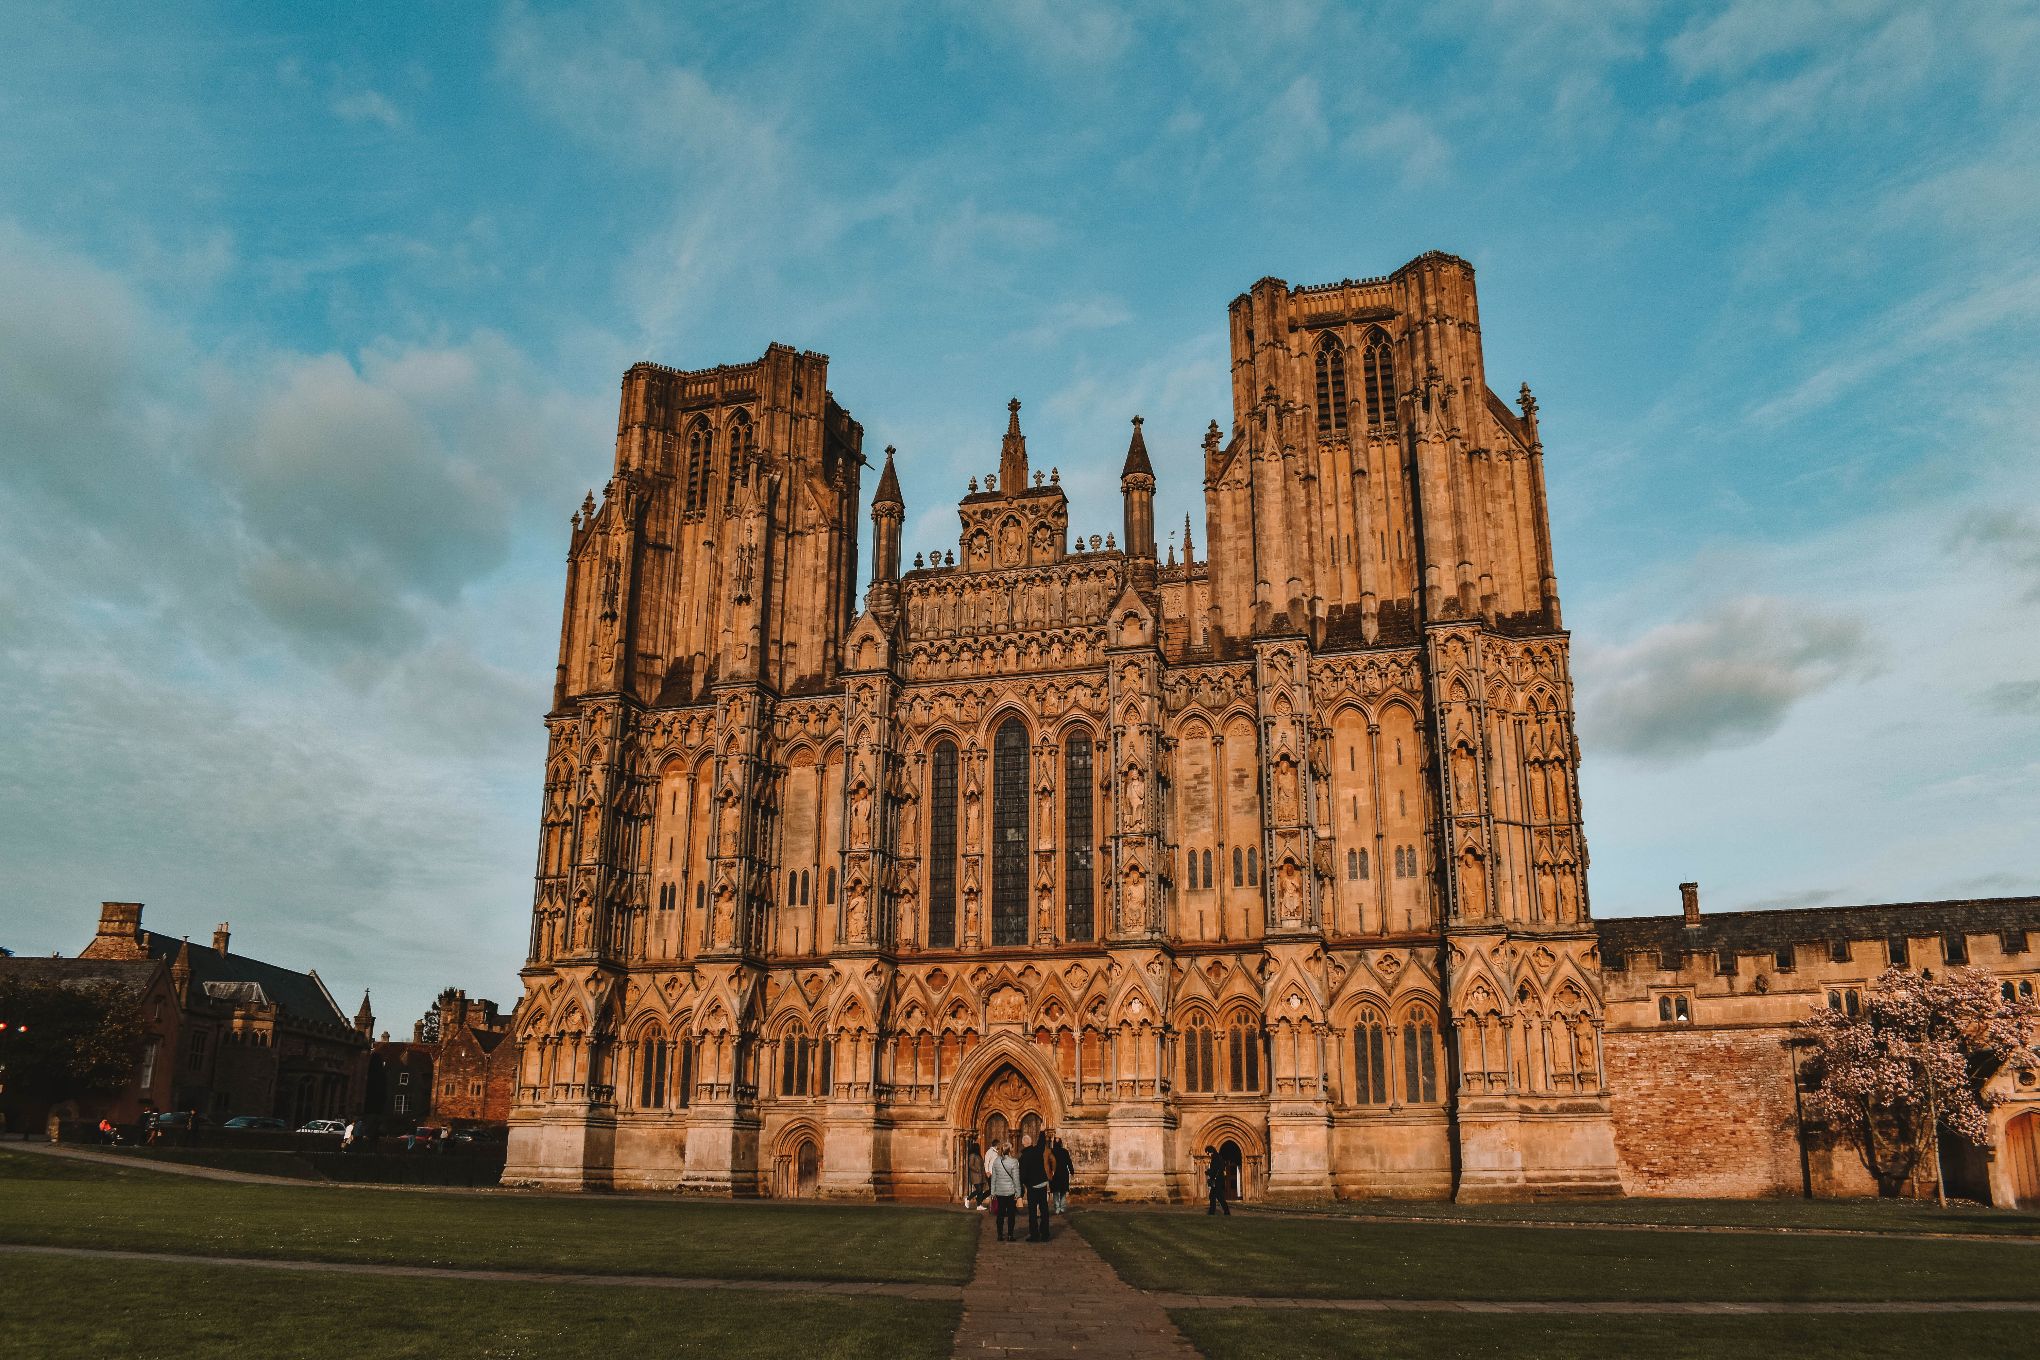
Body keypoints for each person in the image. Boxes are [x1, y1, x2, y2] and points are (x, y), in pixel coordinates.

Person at [1018, 1131, 1051, 1241]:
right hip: (1042, 1184)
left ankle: (1035, 1235)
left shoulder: (1023, 1158)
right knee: (1044, 1210)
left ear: (1023, 1144)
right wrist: (1041, 1131)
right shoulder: (1037, 1151)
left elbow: (1022, 1175)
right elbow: (1041, 1143)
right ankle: (1045, 1234)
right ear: (1031, 1143)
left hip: (1032, 1187)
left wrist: (1022, 1186)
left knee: (1032, 1212)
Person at [988, 1141, 1023, 1242]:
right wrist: (1018, 1193)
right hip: (1010, 1192)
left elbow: (993, 1178)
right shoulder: (1014, 1162)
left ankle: (1000, 1235)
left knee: (1000, 1214)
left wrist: (992, 1192)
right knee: (1011, 1214)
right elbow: (1016, 1179)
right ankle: (1010, 1235)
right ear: (1010, 1150)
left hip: (999, 1192)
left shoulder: (996, 1161)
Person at [1204, 1145, 1230, 1216]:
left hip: (1217, 1181)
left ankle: (1214, 1212)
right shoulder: (1218, 1157)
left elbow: (1215, 1170)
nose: (1208, 1155)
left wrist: (1208, 1172)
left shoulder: (1215, 1158)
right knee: (1216, 1196)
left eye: (1207, 1153)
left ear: (1210, 1151)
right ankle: (1217, 1212)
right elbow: (1220, 1168)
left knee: (1215, 1197)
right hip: (1219, 1181)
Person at [1049, 1135, 1072, 1213]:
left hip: (1054, 1174)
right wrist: (1071, 1171)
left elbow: (1049, 1163)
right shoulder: (1065, 1151)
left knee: (1055, 1191)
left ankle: (1057, 1208)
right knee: (1063, 1191)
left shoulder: (1051, 1151)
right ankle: (1062, 1207)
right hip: (1063, 1173)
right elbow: (1069, 1162)